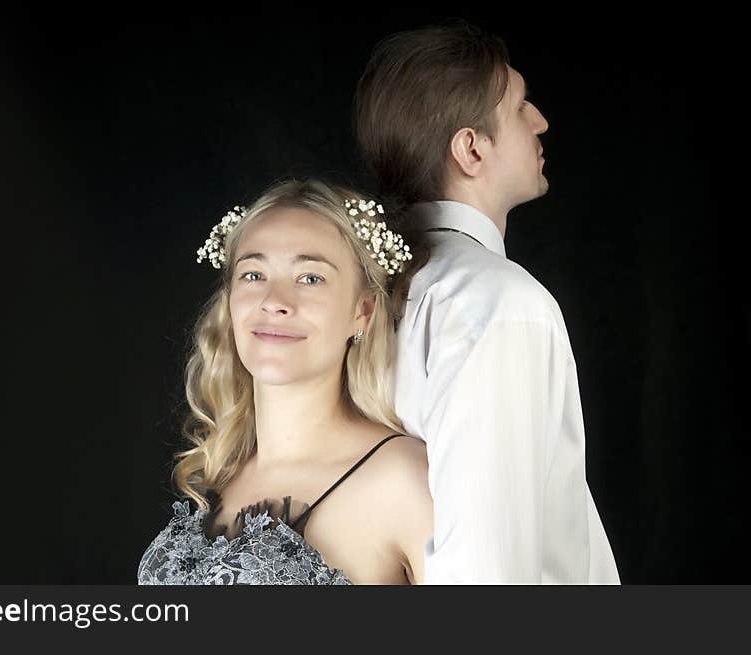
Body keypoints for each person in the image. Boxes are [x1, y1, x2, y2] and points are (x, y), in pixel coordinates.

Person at [354, 20, 620, 583]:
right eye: (522, 105)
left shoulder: (358, 292)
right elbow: (486, 570)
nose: (541, 120)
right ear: (470, 149)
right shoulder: (499, 305)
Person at [137, 178, 433, 585]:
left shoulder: (403, 478)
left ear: (361, 311)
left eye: (310, 278)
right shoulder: (225, 466)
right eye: (254, 274)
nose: (274, 301)